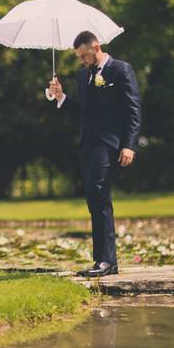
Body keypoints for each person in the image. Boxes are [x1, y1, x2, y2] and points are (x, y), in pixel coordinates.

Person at [48, 31, 142, 277]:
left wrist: (129, 145)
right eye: (78, 57)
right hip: (87, 146)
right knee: (93, 196)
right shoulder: (83, 76)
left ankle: (107, 262)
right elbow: (83, 111)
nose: (81, 61)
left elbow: (133, 110)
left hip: (110, 144)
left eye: (84, 56)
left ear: (96, 47)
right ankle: (101, 260)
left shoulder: (121, 70)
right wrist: (61, 97)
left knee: (98, 191)